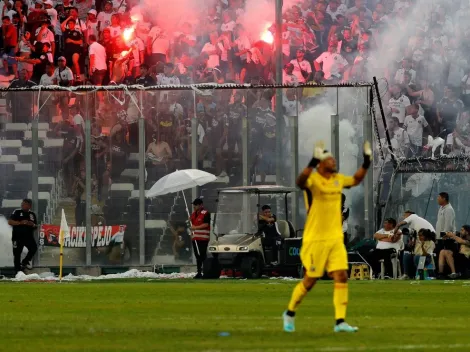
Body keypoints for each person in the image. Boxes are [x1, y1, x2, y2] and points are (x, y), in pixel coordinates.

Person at [283, 140, 371, 333]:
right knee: (310, 280)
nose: (333, 161)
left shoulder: (337, 179)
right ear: (321, 164)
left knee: (341, 275)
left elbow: (355, 180)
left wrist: (366, 162)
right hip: (316, 239)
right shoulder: (313, 179)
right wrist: (312, 161)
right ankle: (289, 313)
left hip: (335, 238)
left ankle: (340, 321)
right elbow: (299, 182)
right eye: (330, 159)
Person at [8, 199, 38, 273]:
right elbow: (10, 222)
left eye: (24, 204)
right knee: (17, 254)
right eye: (22, 203)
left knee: (33, 248)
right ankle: (18, 272)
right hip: (17, 237)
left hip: (28, 237)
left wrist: (32, 224)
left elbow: (35, 226)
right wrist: (20, 223)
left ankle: (25, 262)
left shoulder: (32, 214)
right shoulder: (17, 211)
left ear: (29, 206)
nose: (22, 205)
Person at [190, 198, 210, 279]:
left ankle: (205, 271)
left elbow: (206, 224)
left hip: (203, 238)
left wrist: (195, 228)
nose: (194, 206)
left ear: (200, 205)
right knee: (197, 256)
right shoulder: (193, 214)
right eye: (194, 205)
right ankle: (199, 272)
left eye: (196, 205)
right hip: (195, 239)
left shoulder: (206, 213)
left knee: (202, 255)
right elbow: (191, 226)